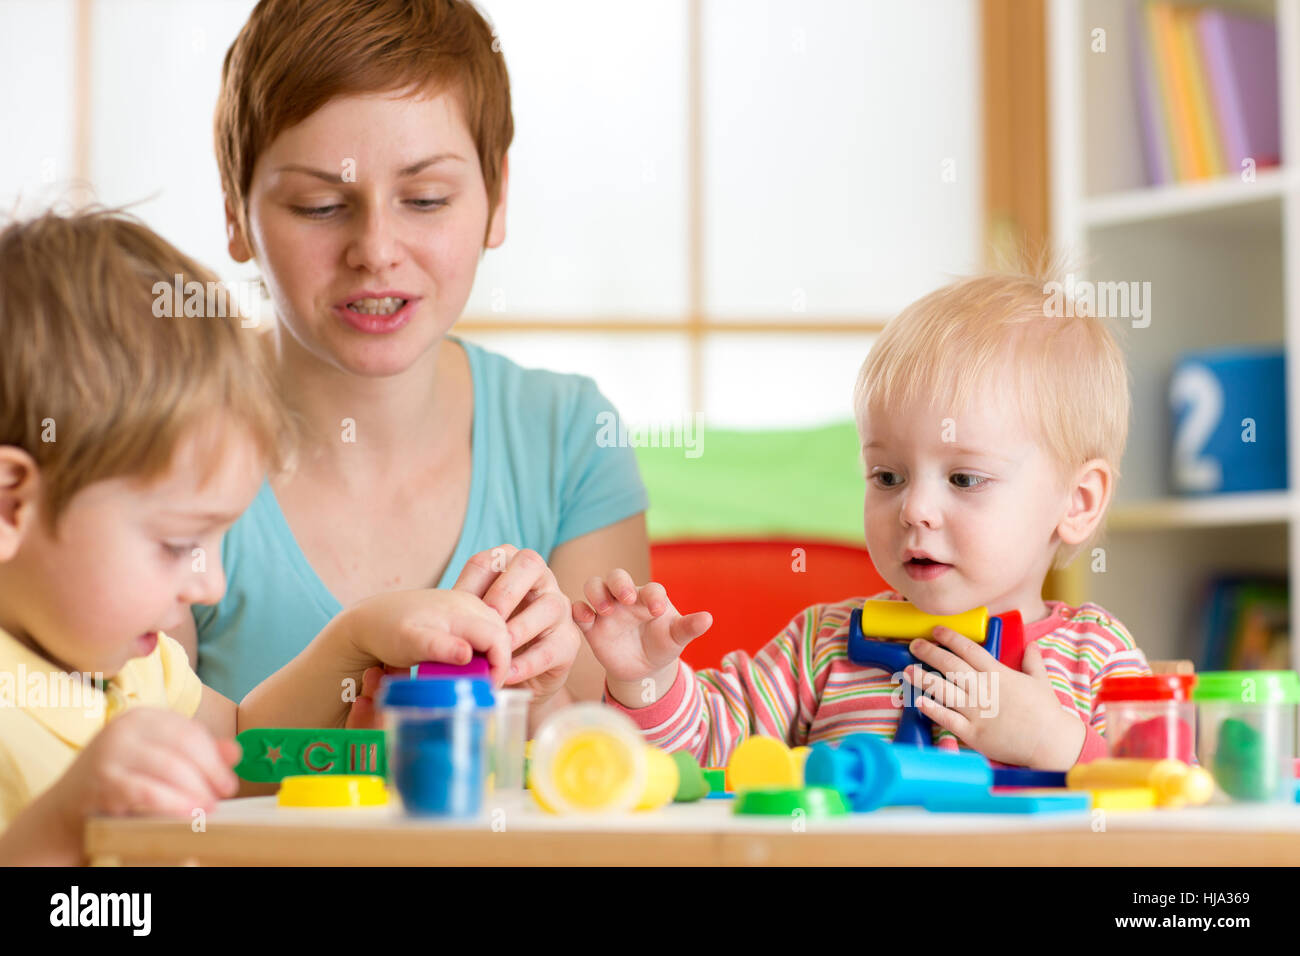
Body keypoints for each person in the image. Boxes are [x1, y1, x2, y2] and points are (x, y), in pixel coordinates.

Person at [0, 209, 531, 864]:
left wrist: (354, 641)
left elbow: (244, 749)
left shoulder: (139, 664)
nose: (210, 583)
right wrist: (59, 830)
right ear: (10, 503)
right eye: (175, 542)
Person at [187, 0, 650, 726]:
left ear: (497, 197)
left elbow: (600, 765)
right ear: (233, 211)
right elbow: (137, 760)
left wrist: (544, 690)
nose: (375, 248)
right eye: (317, 205)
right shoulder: (161, 443)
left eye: (426, 199)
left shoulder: (570, 436)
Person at [575, 266, 1151, 770]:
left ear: (1077, 502)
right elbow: (703, 753)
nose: (915, 509)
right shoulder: (822, 646)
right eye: (888, 477)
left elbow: (1175, 812)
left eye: (964, 479)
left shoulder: (1097, 656)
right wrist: (644, 678)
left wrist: (1061, 744)